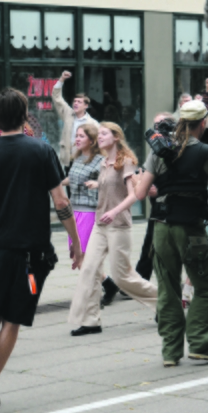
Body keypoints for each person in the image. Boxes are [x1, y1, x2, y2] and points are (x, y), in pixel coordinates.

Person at [0, 88, 83, 413]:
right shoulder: (41, 150)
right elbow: (61, 202)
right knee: (12, 320)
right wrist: (75, 242)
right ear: (25, 114)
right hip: (31, 254)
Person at [135, 100, 208, 366]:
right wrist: (204, 179)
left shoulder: (159, 150)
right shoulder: (207, 153)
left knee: (167, 288)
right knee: (205, 283)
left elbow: (141, 193)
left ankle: (170, 352)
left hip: (162, 227)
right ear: (203, 123)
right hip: (191, 228)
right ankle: (200, 344)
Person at [68, 123, 158, 336]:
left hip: (118, 225)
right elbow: (110, 186)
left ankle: (165, 301)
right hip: (101, 225)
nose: (99, 137)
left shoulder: (124, 161)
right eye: (98, 134)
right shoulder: (103, 163)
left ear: (116, 137)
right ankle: (90, 321)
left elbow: (133, 194)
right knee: (89, 269)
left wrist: (114, 211)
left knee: (122, 277)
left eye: (103, 133)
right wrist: (97, 185)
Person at [59, 124, 117, 304]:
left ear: (91, 141)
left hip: (90, 212)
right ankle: (108, 284)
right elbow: (72, 179)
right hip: (74, 211)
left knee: (83, 256)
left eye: (81, 136)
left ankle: (89, 295)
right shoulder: (77, 158)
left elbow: (112, 182)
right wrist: (57, 183)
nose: (77, 139)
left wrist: (97, 183)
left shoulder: (100, 160)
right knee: (80, 256)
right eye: (76, 136)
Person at [135, 113, 174, 282]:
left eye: (162, 125)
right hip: (157, 206)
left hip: (172, 206)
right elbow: (145, 174)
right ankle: (141, 278)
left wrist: (160, 191)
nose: (158, 129)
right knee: (149, 244)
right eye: (156, 125)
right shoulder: (154, 148)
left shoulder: (177, 147)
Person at [52, 71, 100, 168]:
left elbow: (98, 144)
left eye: (79, 102)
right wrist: (62, 79)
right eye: (74, 101)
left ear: (86, 106)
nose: (76, 103)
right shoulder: (68, 114)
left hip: (85, 160)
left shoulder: (93, 124)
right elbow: (56, 97)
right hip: (68, 160)